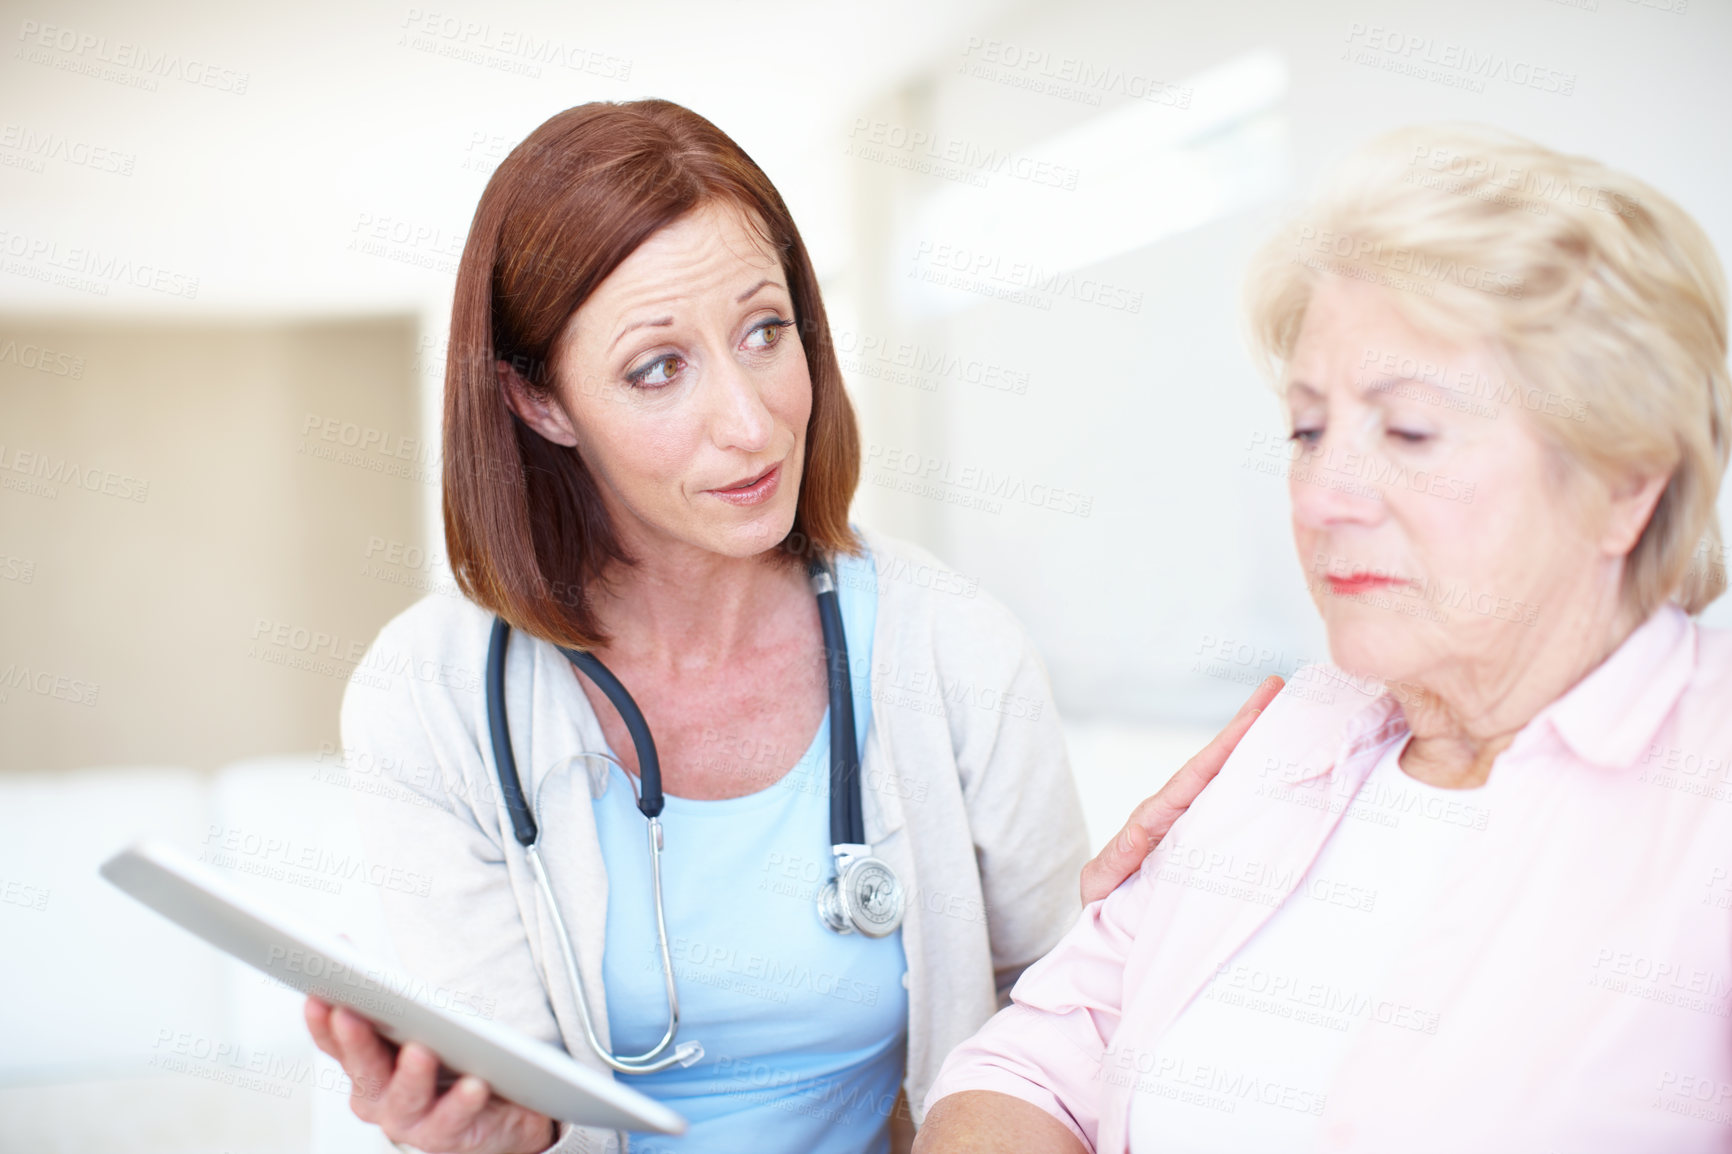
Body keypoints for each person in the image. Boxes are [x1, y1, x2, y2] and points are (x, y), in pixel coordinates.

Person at [299, 99, 1278, 1154]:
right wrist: (494, 1137)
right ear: (538, 402)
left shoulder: (951, 645)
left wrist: (1152, 930)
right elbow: (513, 1103)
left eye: (764, 332)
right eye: (658, 367)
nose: (752, 419)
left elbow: (1060, 1026)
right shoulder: (429, 693)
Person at [916, 123, 1732, 1153]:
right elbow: (1036, 1060)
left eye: (1409, 431)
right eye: (1308, 430)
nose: (1322, 495)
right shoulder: (1300, 729)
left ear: (1623, 484)